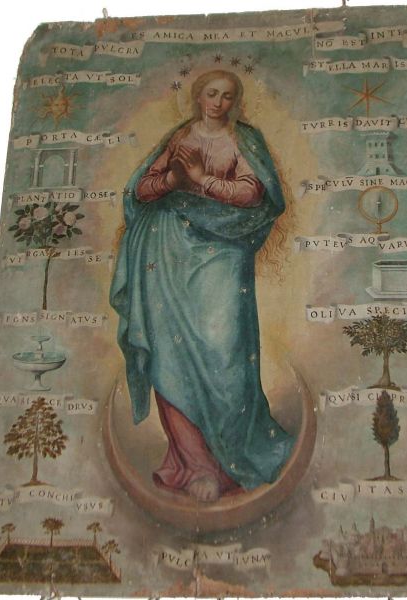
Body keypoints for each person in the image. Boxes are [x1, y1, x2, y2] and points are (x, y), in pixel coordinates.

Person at [110, 70, 295, 503]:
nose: (218, 102)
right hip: (167, 251)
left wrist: (200, 180)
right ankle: (196, 465)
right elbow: (142, 188)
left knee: (224, 348)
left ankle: (233, 457)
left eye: (228, 96)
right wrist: (172, 182)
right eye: (211, 94)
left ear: (236, 101)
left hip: (223, 250)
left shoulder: (244, 139)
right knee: (169, 352)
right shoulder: (180, 137)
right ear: (197, 96)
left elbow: (253, 194)